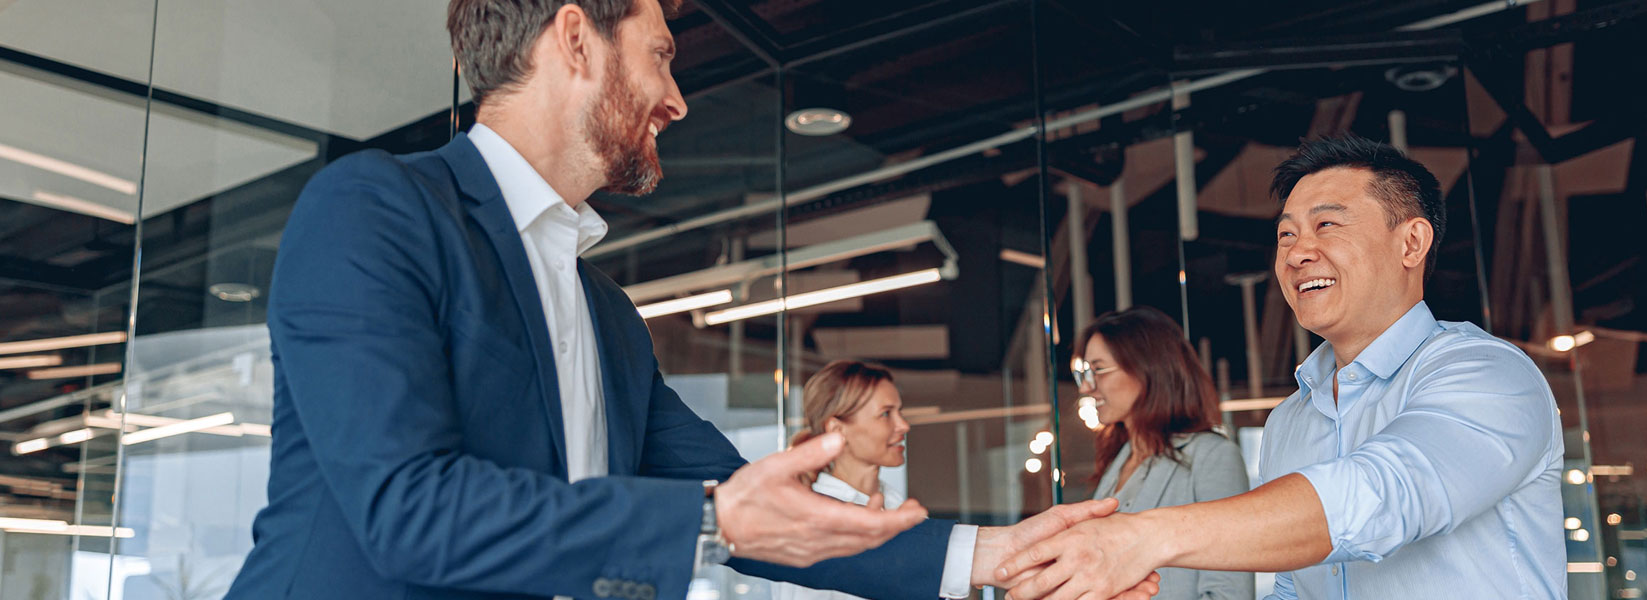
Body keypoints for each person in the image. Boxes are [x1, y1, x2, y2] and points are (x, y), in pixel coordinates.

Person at [225, 2, 1164, 599]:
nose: (676, 98)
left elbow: (771, 511)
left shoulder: (607, 321)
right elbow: (406, 509)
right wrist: (715, 521)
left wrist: (995, 557)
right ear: (574, 37)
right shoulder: (375, 206)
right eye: (662, 55)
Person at [994, 136, 1566, 600]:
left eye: (1328, 225)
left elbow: (1386, 492)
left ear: (1411, 242)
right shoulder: (1290, 419)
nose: (1297, 252)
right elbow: (1293, 590)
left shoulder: (1488, 374)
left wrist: (1143, 538)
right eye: (1286, 234)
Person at [1071, 308, 1252, 600]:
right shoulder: (1118, 462)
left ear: (1147, 369)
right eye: (1084, 372)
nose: (1086, 387)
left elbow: (1229, 593)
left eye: (1099, 369)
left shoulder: (1212, 457)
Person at [774, 360, 913, 600]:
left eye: (900, 412)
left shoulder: (902, 509)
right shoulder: (811, 525)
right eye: (886, 414)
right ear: (837, 429)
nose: (904, 425)